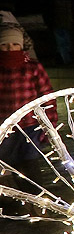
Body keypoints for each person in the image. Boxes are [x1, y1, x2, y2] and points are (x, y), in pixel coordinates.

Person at [0, 25, 57, 165]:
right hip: (4, 126)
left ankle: (32, 187)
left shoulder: (32, 67)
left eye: (15, 44)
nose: (10, 48)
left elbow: (47, 96)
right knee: (7, 164)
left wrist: (49, 125)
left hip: (30, 126)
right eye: (4, 44)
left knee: (30, 163)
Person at [46, 0, 74, 65]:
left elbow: (71, 12)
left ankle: (65, 59)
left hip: (65, 23)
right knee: (62, 43)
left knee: (65, 43)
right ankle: (65, 60)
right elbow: (48, 13)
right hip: (58, 24)